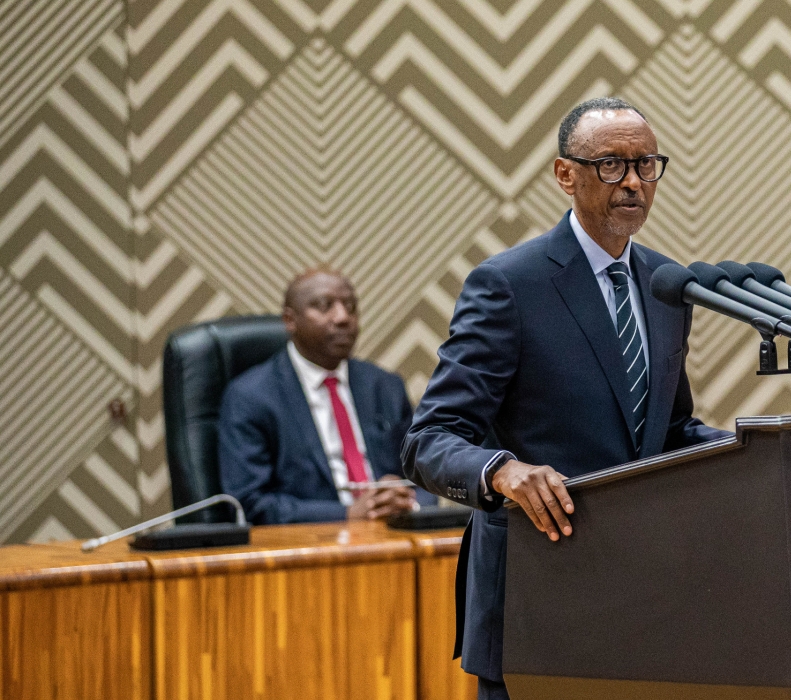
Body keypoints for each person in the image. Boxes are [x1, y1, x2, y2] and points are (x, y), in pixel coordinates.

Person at [401, 97, 731, 699]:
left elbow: (670, 428)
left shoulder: (666, 284)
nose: (633, 182)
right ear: (565, 175)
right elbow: (428, 441)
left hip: (646, 604)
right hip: (538, 598)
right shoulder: (509, 284)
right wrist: (503, 471)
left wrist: (745, 450)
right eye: (611, 166)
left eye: (646, 165)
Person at [219, 268, 436, 524]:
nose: (343, 317)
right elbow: (250, 502)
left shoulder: (384, 385)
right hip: (310, 548)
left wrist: (408, 500)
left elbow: (425, 476)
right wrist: (348, 514)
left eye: (351, 306)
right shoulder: (250, 396)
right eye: (324, 306)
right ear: (290, 320)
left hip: (393, 535)